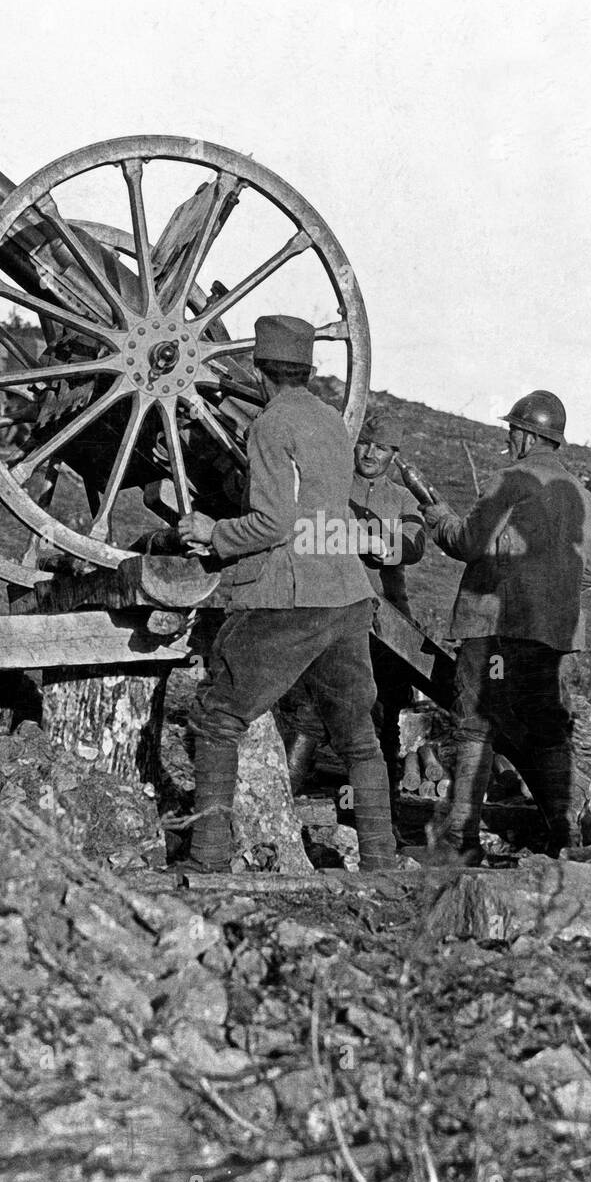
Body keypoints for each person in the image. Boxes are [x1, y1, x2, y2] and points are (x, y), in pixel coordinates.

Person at [177, 314, 397, 872]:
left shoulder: (271, 425)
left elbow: (273, 524)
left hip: (292, 595)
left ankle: (207, 859)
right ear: (306, 369)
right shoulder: (331, 422)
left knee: (217, 715)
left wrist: (213, 533)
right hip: (347, 594)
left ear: (259, 370)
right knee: (358, 737)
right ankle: (381, 861)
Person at [417, 390, 591, 864]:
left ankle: (462, 838)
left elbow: (468, 542)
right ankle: (565, 837)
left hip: (495, 627)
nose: (508, 438)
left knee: (477, 725)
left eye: (511, 431)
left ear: (524, 435)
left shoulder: (509, 479)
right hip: (549, 636)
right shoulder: (581, 495)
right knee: (547, 729)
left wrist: (438, 519)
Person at [282, 410, 426, 801]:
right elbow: (306, 531)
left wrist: (380, 544)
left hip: (389, 621)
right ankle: (286, 792)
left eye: (380, 448)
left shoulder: (403, 499)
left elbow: (414, 544)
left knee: (388, 713)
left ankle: (383, 805)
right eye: (363, 443)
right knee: (313, 705)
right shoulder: (330, 482)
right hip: (333, 605)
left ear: (393, 455)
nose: (368, 453)